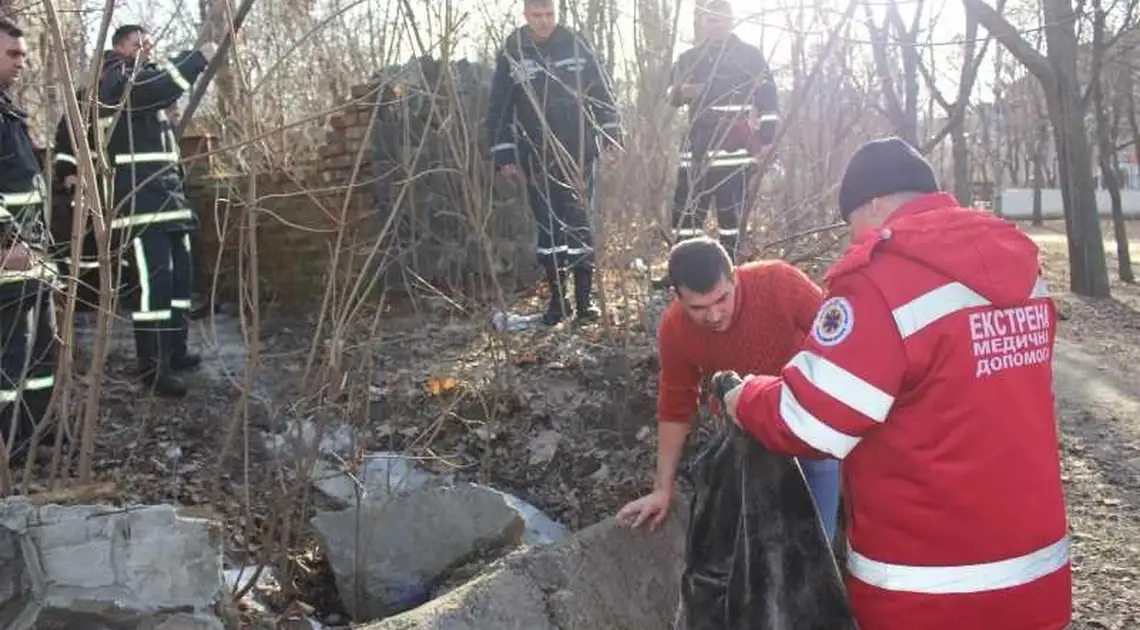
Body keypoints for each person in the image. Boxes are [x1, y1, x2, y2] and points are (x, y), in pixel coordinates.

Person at [721, 137, 1071, 630]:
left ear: (876, 204)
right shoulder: (1022, 267)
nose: (852, 241)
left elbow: (812, 420)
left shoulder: (880, 281)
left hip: (928, 589)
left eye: (852, 225)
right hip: (1038, 574)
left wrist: (747, 397)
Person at [616, 236, 841, 542]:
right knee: (753, 535)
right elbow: (675, 405)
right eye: (699, 307)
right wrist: (662, 489)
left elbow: (842, 343)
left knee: (814, 535)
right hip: (748, 430)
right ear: (677, 296)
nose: (714, 315)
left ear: (735, 277)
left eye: (722, 299)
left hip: (809, 420)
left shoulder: (778, 281)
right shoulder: (675, 329)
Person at [486, 0, 623, 326]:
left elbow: (602, 93)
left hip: (580, 152)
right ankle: (557, 304)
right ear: (526, 16)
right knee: (548, 229)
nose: (544, 22)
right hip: (537, 154)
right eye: (537, 16)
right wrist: (503, 153)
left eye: (549, 15)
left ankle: (585, 302)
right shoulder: (513, 51)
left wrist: (611, 136)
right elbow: (500, 107)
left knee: (580, 225)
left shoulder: (577, 43)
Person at [99, 24, 217, 396]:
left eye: (147, 44)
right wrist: (198, 58)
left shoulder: (145, 81)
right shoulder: (114, 79)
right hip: (141, 208)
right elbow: (153, 89)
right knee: (155, 288)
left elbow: (160, 86)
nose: (144, 50)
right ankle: (153, 369)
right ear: (119, 47)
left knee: (180, 283)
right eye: (137, 44)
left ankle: (175, 352)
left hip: (170, 205)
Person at [666, 0, 779, 263]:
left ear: (730, 21)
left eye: (720, 20)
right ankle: (685, 268)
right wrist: (683, 92)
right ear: (703, 22)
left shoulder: (750, 57)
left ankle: (733, 270)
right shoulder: (689, 58)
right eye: (710, 20)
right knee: (687, 214)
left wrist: (767, 139)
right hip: (696, 148)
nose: (715, 25)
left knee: (732, 217)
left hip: (734, 149)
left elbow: (769, 98)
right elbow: (669, 94)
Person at [0, 18, 61, 461]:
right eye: (12, 54)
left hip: (33, 251)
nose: (23, 62)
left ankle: (38, 430)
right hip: (9, 258)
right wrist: (5, 241)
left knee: (43, 351)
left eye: (23, 53)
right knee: (10, 357)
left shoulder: (8, 109)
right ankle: (10, 444)